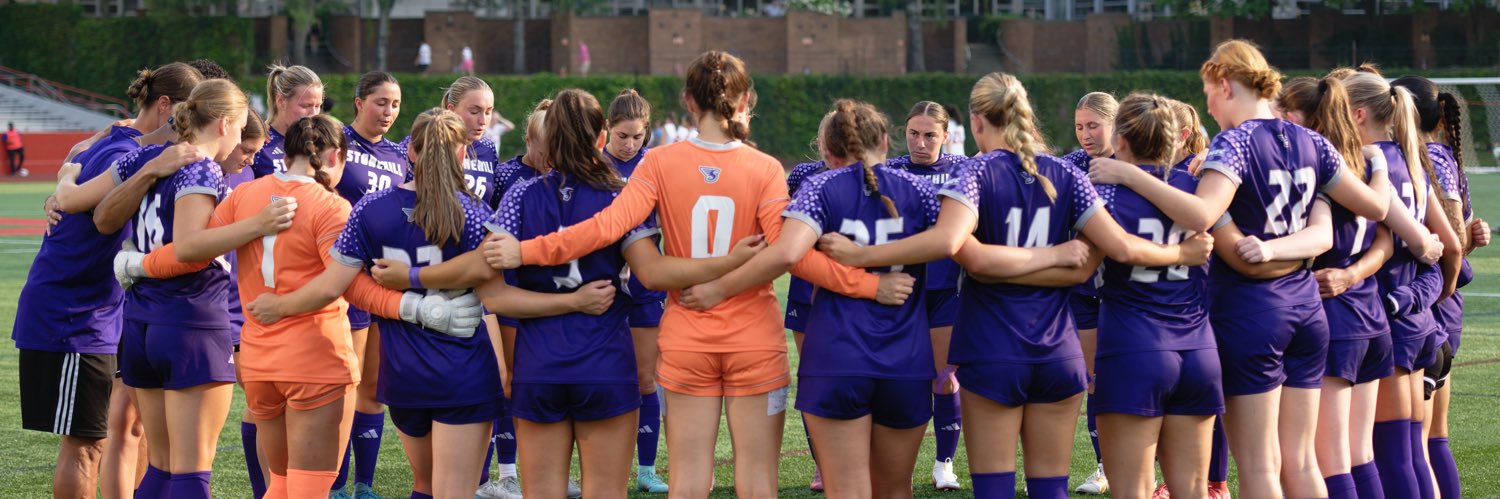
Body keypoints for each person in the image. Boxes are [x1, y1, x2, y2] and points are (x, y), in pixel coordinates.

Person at [485, 51, 907, 499]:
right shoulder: (764, 168)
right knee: (758, 480)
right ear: (745, 98)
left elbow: (605, 228)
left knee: (687, 481)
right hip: (754, 338)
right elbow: (790, 255)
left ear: (688, 100)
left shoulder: (659, 163)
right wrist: (869, 283)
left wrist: (526, 250)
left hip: (686, 334)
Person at [1084, 41, 1424, 498]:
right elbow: (1377, 206)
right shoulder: (1312, 140)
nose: (1206, 103)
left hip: (1252, 311)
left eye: (1208, 91)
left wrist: (1129, 174)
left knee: (1262, 468)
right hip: (1307, 305)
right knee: (1302, 463)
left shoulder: (1236, 141)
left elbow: (1201, 215)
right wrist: (1377, 162)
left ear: (1225, 84)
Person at [14, 62, 202, 499]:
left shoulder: (118, 138)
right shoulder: (128, 154)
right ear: (165, 106)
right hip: (70, 315)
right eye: (188, 114)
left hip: (103, 311)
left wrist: (63, 178)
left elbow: (76, 160)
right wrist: (61, 189)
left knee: (120, 430)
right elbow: (96, 212)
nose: (191, 128)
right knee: (85, 444)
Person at [110, 79, 256, 499]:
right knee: (191, 474)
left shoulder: (152, 156)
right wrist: (257, 225)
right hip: (190, 319)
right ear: (226, 123)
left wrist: (66, 177)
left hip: (141, 319)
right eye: (241, 127)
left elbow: (95, 202)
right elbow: (190, 247)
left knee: (161, 467)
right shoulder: (203, 166)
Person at [1341, 70, 1462, 499]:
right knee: (1412, 451)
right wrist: (1435, 296)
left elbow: (1425, 244)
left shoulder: (1367, 162)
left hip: (1386, 319)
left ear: (1356, 115)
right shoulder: (1411, 160)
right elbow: (1451, 246)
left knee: (1389, 455)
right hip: (1417, 322)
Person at [1393, 74, 1492, 499]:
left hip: (1431, 306)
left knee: (1419, 440)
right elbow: (1463, 234)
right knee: (1433, 438)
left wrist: (1444, 288)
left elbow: (1452, 238)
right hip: (1437, 305)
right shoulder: (1437, 153)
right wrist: (1471, 236)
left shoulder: (1428, 154)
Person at [329, 71, 410, 499]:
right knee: (347, 382)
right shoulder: (338, 142)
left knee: (375, 386)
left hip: (388, 278)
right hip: (348, 277)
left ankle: (364, 484)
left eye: (395, 105)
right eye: (381, 102)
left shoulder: (400, 155)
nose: (389, 112)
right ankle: (336, 484)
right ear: (359, 102)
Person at [887, 100, 967, 492]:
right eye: (913, 134)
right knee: (902, 380)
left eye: (930, 135)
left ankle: (944, 464)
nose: (920, 142)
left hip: (947, 292)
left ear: (946, 136)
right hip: (900, 292)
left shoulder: (963, 171)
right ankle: (895, 465)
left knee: (944, 379)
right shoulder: (890, 171)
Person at [601, 88, 673, 494]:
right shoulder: (593, 167)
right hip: (600, 287)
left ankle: (646, 470)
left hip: (645, 286)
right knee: (602, 378)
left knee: (647, 379)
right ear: (607, 129)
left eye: (637, 136)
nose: (629, 145)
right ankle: (600, 467)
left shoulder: (658, 166)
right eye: (622, 136)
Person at [1062, 91, 1117, 496]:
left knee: (1133, 378)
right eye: (1080, 126)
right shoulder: (1069, 166)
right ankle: (1103, 467)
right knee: (1094, 380)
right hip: (1083, 291)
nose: (1085, 134)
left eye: (1093, 125)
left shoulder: (1136, 165)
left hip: (1128, 292)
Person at [254, 64, 324, 178]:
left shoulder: (323, 142)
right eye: (306, 106)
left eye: (318, 106)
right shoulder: (259, 143)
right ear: (281, 100)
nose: (314, 114)